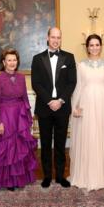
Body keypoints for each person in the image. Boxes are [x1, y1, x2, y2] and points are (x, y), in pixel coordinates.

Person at [69, 34, 104, 191]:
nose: (94, 48)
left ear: (101, 46)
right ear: (87, 47)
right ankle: (85, 176)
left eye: (97, 44)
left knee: (102, 138)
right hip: (86, 104)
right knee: (88, 137)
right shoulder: (81, 66)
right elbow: (78, 87)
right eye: (91, 45)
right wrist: (74, 106)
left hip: (103, 105)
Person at [31, 27, 76, 188]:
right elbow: (36, 83)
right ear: (47, 38)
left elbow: (72, 82)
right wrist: (50, 100)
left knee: (60, 143)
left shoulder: (69, 58)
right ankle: (47, 176)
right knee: (45, 143)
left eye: (59, 37)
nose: (56, 40)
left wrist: (61, 100)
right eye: (53, 37)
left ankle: (60, 176)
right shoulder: (37, 58)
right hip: (44, 107)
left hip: (63, 108)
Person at [0, 49, 38, 190]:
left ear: (17, 62)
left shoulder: (21, 78)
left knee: (20, 147)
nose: (12, 63)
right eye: (9, 60)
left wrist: (28, 117)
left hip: (20, 116)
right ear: (3, 62)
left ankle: (18, 179)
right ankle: (7, 181)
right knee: (7, 148)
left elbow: (25, 98)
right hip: (5, 116)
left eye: (14, 60)